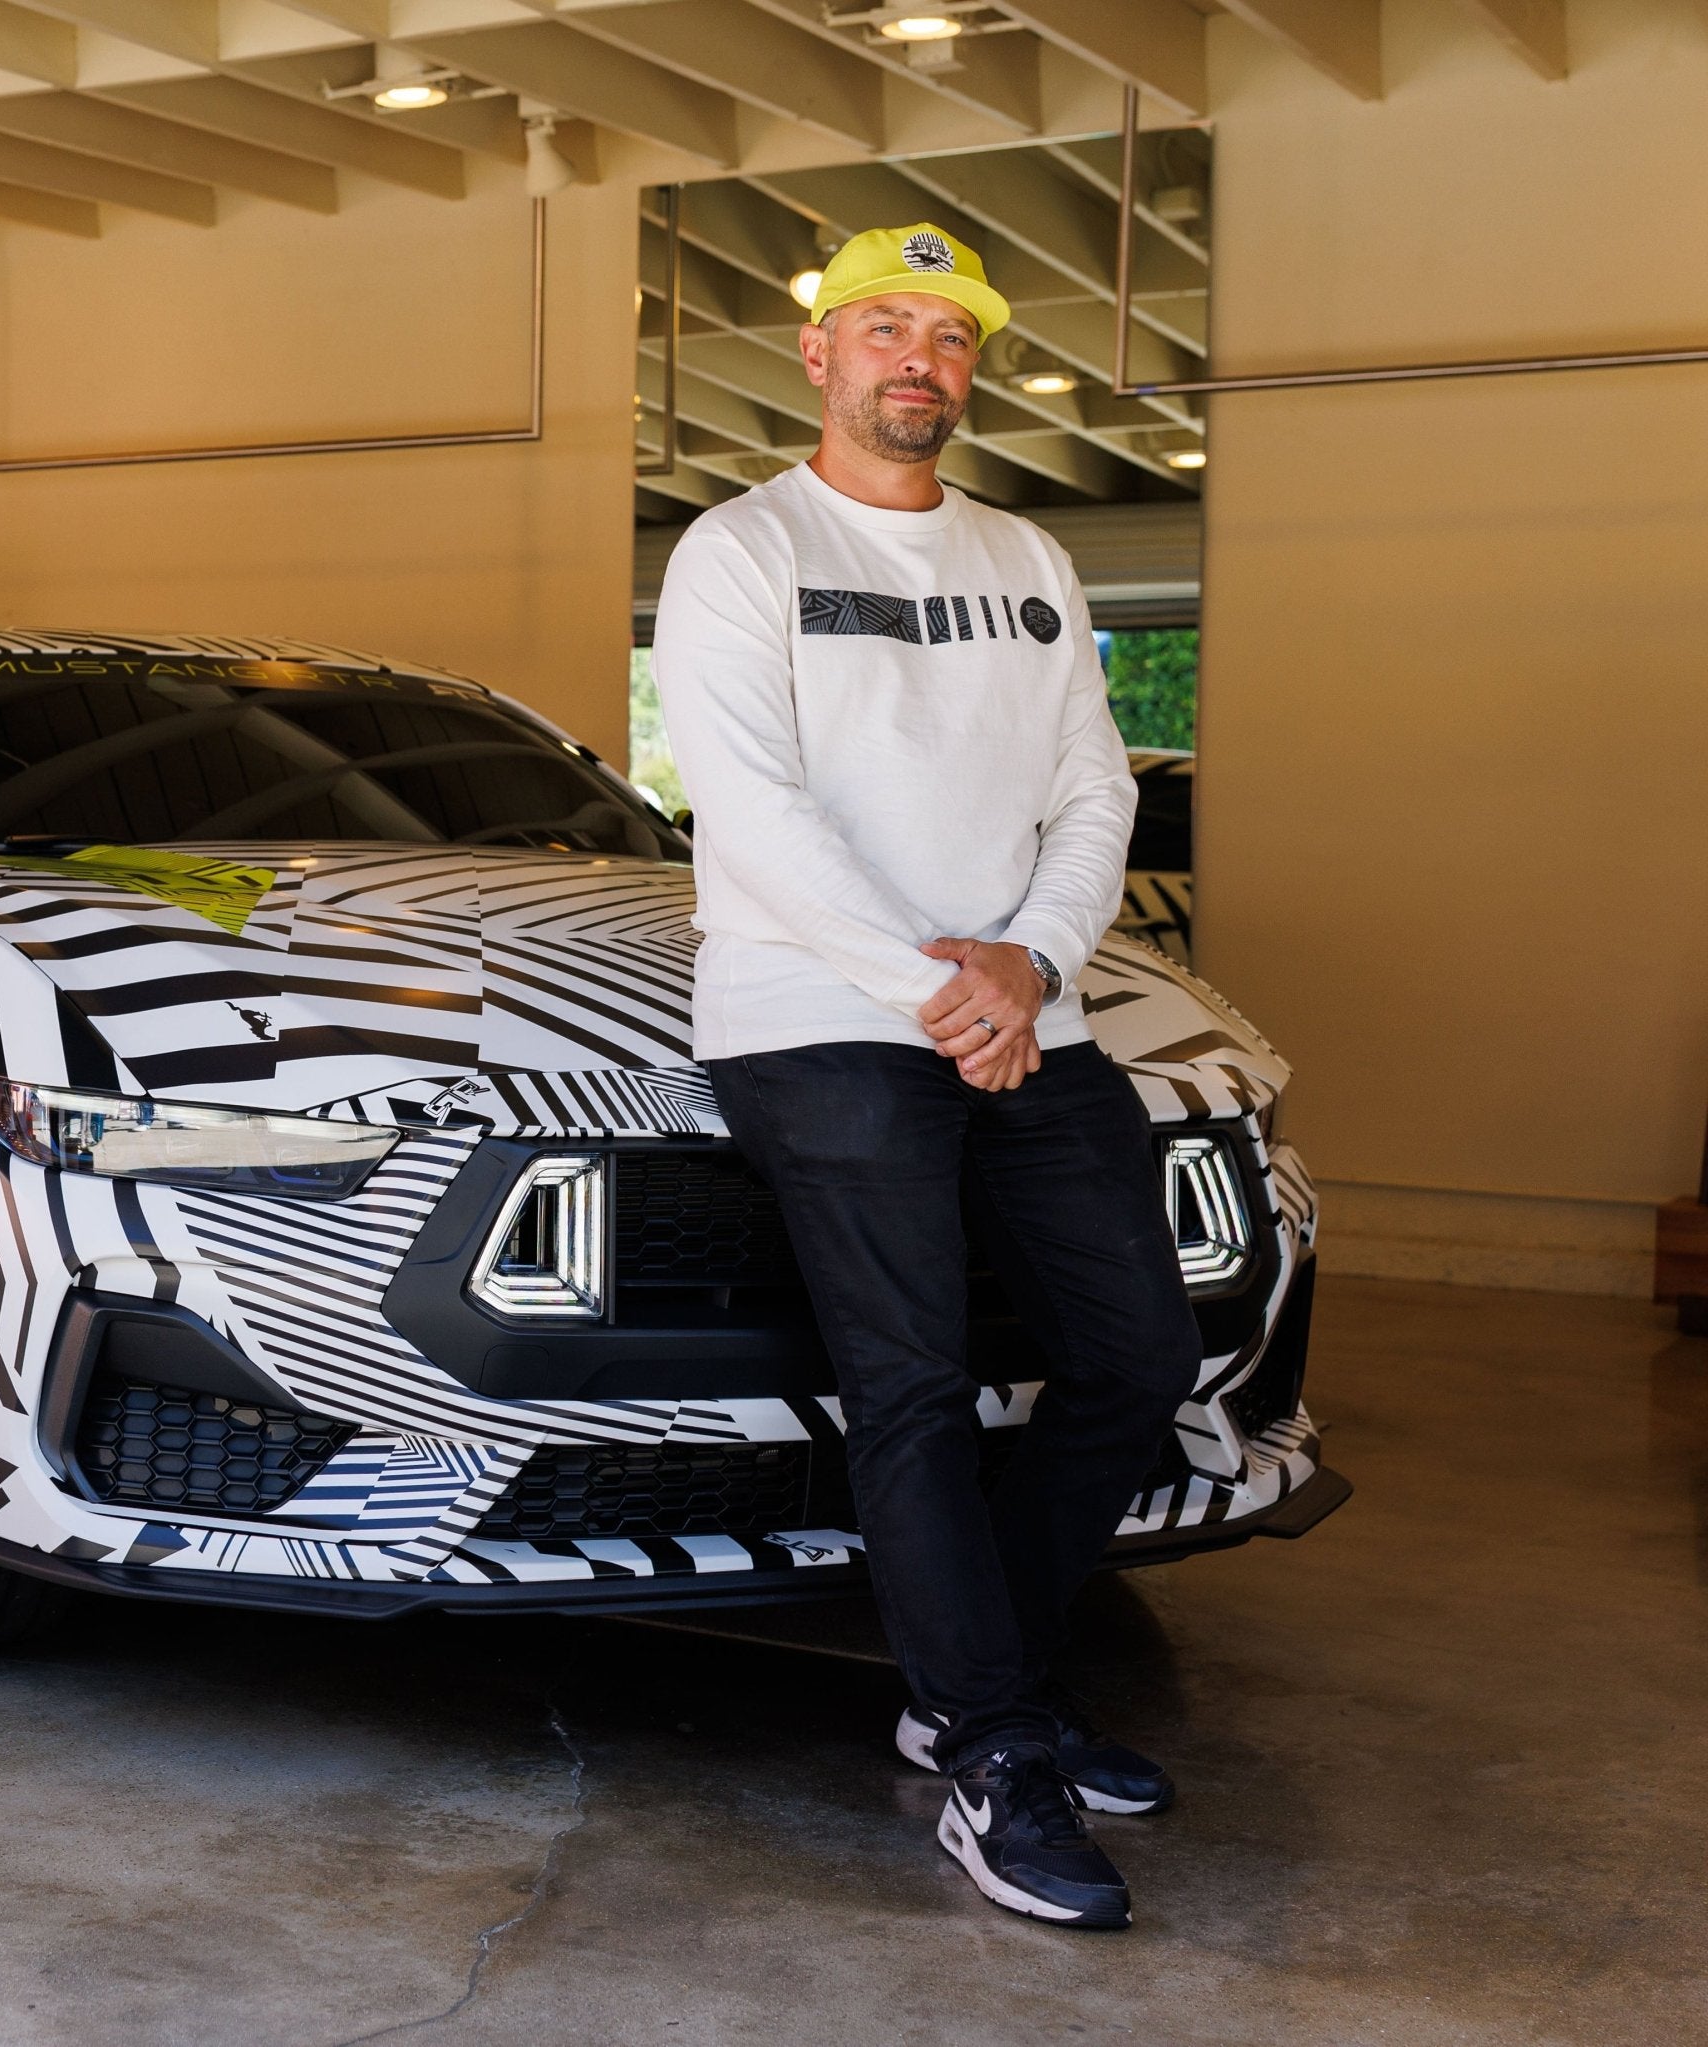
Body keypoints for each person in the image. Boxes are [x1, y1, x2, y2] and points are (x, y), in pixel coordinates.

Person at [652, 224, 1203, 1929]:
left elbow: (1092, 791)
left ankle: (985, 1688)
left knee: (1138, 1354)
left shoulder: (1028, 555)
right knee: (916, 1388)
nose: (918, 360)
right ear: (817, 356)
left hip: (1025, 1007)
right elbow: (752, 809)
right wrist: (933, 987)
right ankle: (994, 1744)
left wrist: (1026, 963)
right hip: (817, 1015)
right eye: (883, 328)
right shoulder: (740, 551)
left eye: (949, 338)